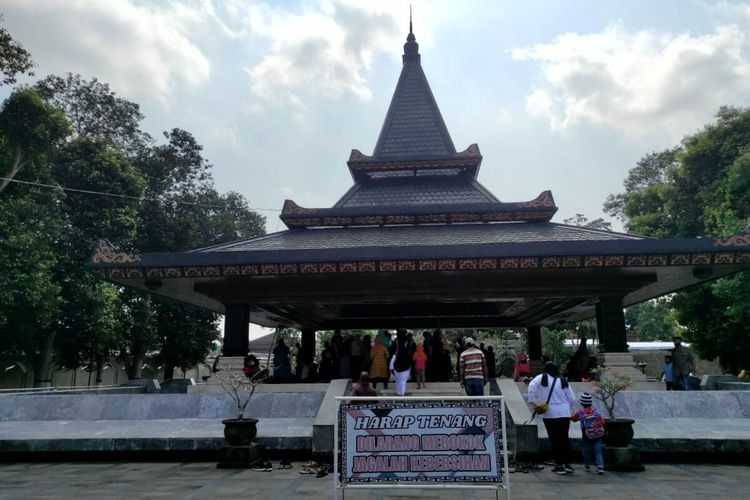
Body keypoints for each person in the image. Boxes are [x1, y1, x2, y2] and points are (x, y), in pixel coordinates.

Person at [528, 361, 577, 475]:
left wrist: (533, 403)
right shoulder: (563, 380)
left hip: (550, 414)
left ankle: (559, 465)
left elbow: (531, 387)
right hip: (564, 414)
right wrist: (565, 408)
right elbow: (572, 399)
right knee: (564, 438)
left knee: (554, 439)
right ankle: (567, 464)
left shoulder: (542, 378)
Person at [570, 392, 605, 474]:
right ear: (591, 402)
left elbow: (573, 419)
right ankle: (600, 467)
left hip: (586, 436)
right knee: (598, 452)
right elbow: (602, 422)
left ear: (582, 403)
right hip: (597, 435)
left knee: (586, 451)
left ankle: (587, 466)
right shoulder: (596, 412)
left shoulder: (580, 413)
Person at [391, 330, 412, 396]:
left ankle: (399, 393)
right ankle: (402, 394)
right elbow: (410, 350)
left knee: (398, 380)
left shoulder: (396, 341)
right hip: (405, 364)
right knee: (403, 381)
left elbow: (393, 350)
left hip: (397, 364)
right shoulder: (407, 340)